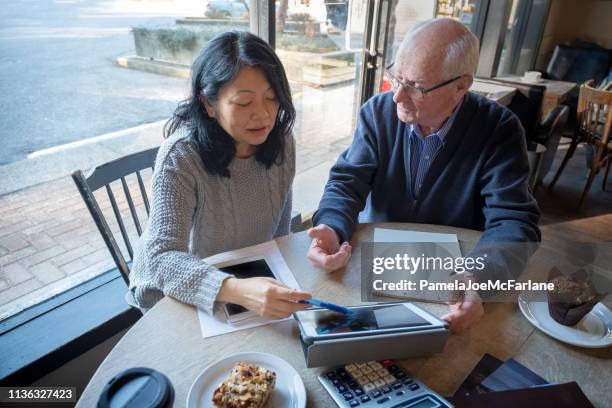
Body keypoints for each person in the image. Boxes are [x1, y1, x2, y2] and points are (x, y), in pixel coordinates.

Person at [307, 19, 541, 332]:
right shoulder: (378, 112)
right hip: (375, 260)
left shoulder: (499, 128)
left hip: (453, 273)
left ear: (461, 87)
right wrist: (332, 227)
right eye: (396, 77)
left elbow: (515, 221)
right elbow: (347, 183)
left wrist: (480, 276)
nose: (396, 96)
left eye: (415, 86)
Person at [128, 30, 311, 319]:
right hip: (177, 288)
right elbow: (160, 259)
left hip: (245, 274)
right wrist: (236, 290)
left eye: (272, 97)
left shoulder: (282, 142)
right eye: (244, 102)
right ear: (209, 104)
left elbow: (277, 232)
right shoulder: (181, 155)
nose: (263, 114)